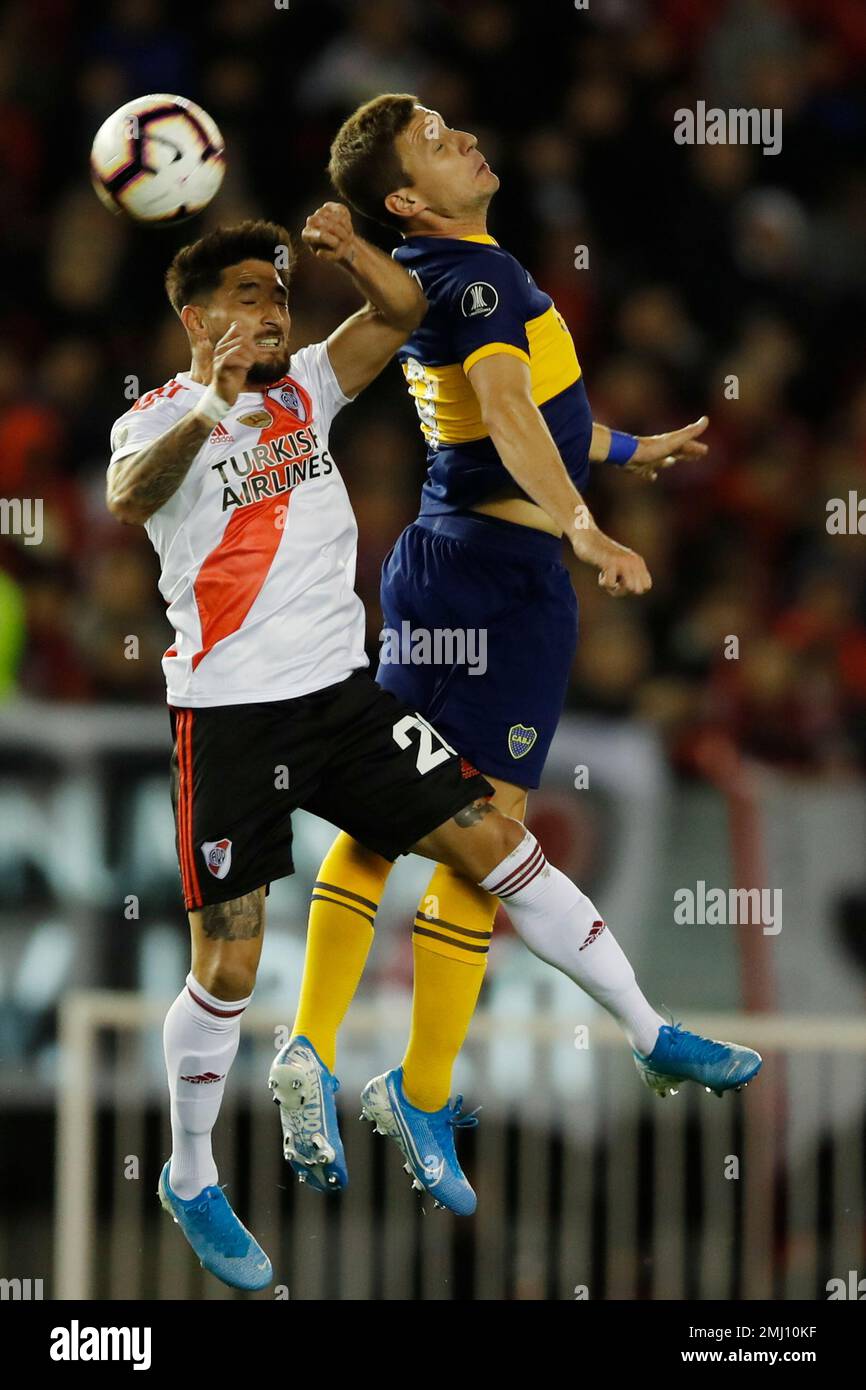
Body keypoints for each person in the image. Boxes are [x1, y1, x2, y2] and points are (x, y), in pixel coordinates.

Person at [106, 210, 759, 1291]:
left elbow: (401, 314)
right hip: (227, 715)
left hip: (342, 701)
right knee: (226, 962)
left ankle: (647, 1030)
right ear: (193, 316)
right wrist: (219, 396)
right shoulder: (161, 416)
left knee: (490, 839)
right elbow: (132, 496)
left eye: (275, 294)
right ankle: (187, 1173)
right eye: (245, 298)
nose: (269, 312)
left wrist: (350, 252)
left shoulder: (310, 384)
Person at [276, 96, 757, 1217]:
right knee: (484, 840)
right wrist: (581, 523)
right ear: (405, 198)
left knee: (387, 814)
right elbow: (504, 408)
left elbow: (532, 410)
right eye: (435, 142)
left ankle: (310, 1047)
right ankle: (422, 1088)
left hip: (435, 563)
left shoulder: (444, 278)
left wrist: (628, 445)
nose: (464, 138)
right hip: (505, 582)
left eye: (452, 124)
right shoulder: (480, 279)